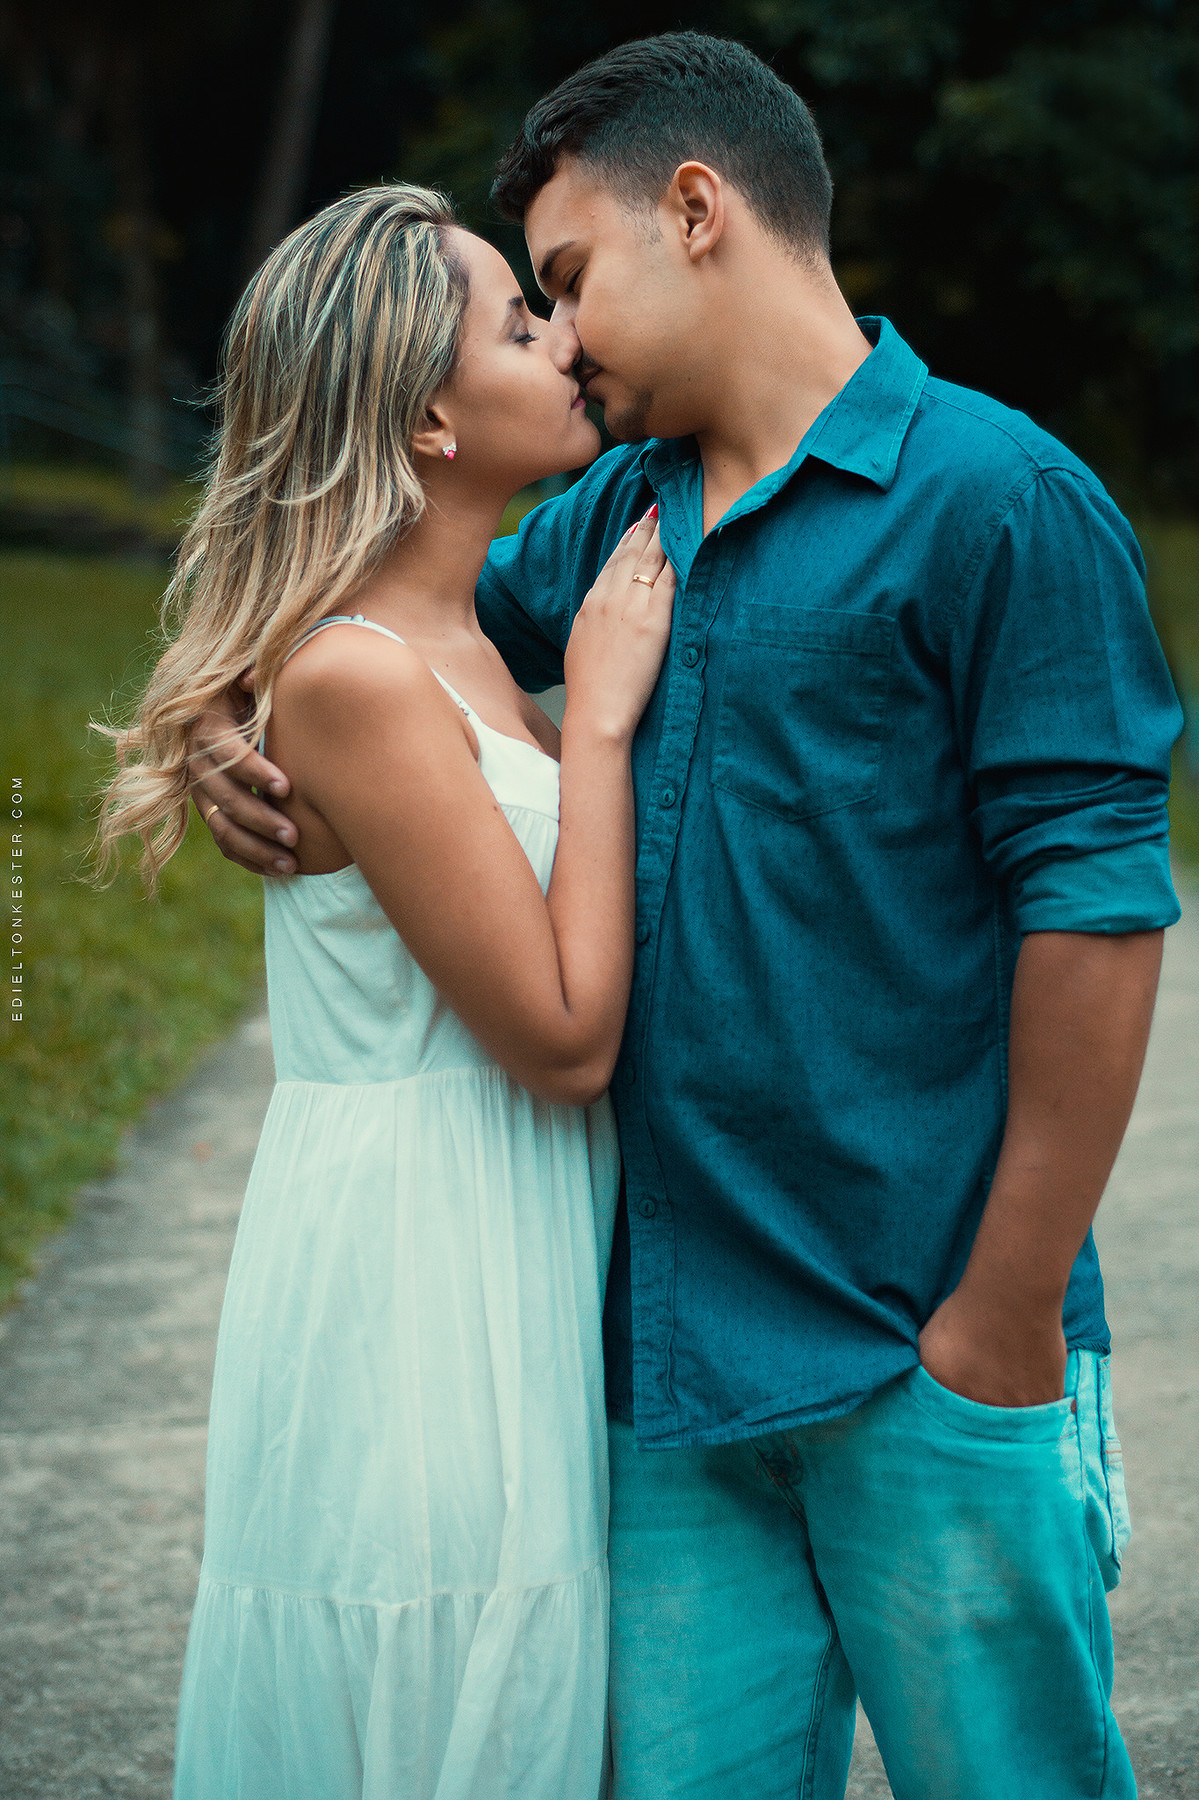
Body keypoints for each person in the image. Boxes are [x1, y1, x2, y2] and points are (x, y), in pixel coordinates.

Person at [190, 35, 1183, 1800]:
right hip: (664, 1380)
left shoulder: (1000, 501)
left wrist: (1005, 1315)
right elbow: (369, 622)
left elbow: (1098, 915)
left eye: (566, 283)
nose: (559, 340)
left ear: (700, 212)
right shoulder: (597, 533)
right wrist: (222, 725)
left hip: (929, 1348)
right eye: (532, 310)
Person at [92, 183, 676, 1799]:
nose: (565, 337)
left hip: (503, 1234)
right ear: (427, 414)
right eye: (519, 319)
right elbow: (561, 1040)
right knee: (442, 1677)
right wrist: (607, 724)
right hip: (423, 1277)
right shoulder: (358, 676)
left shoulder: (471, 635)